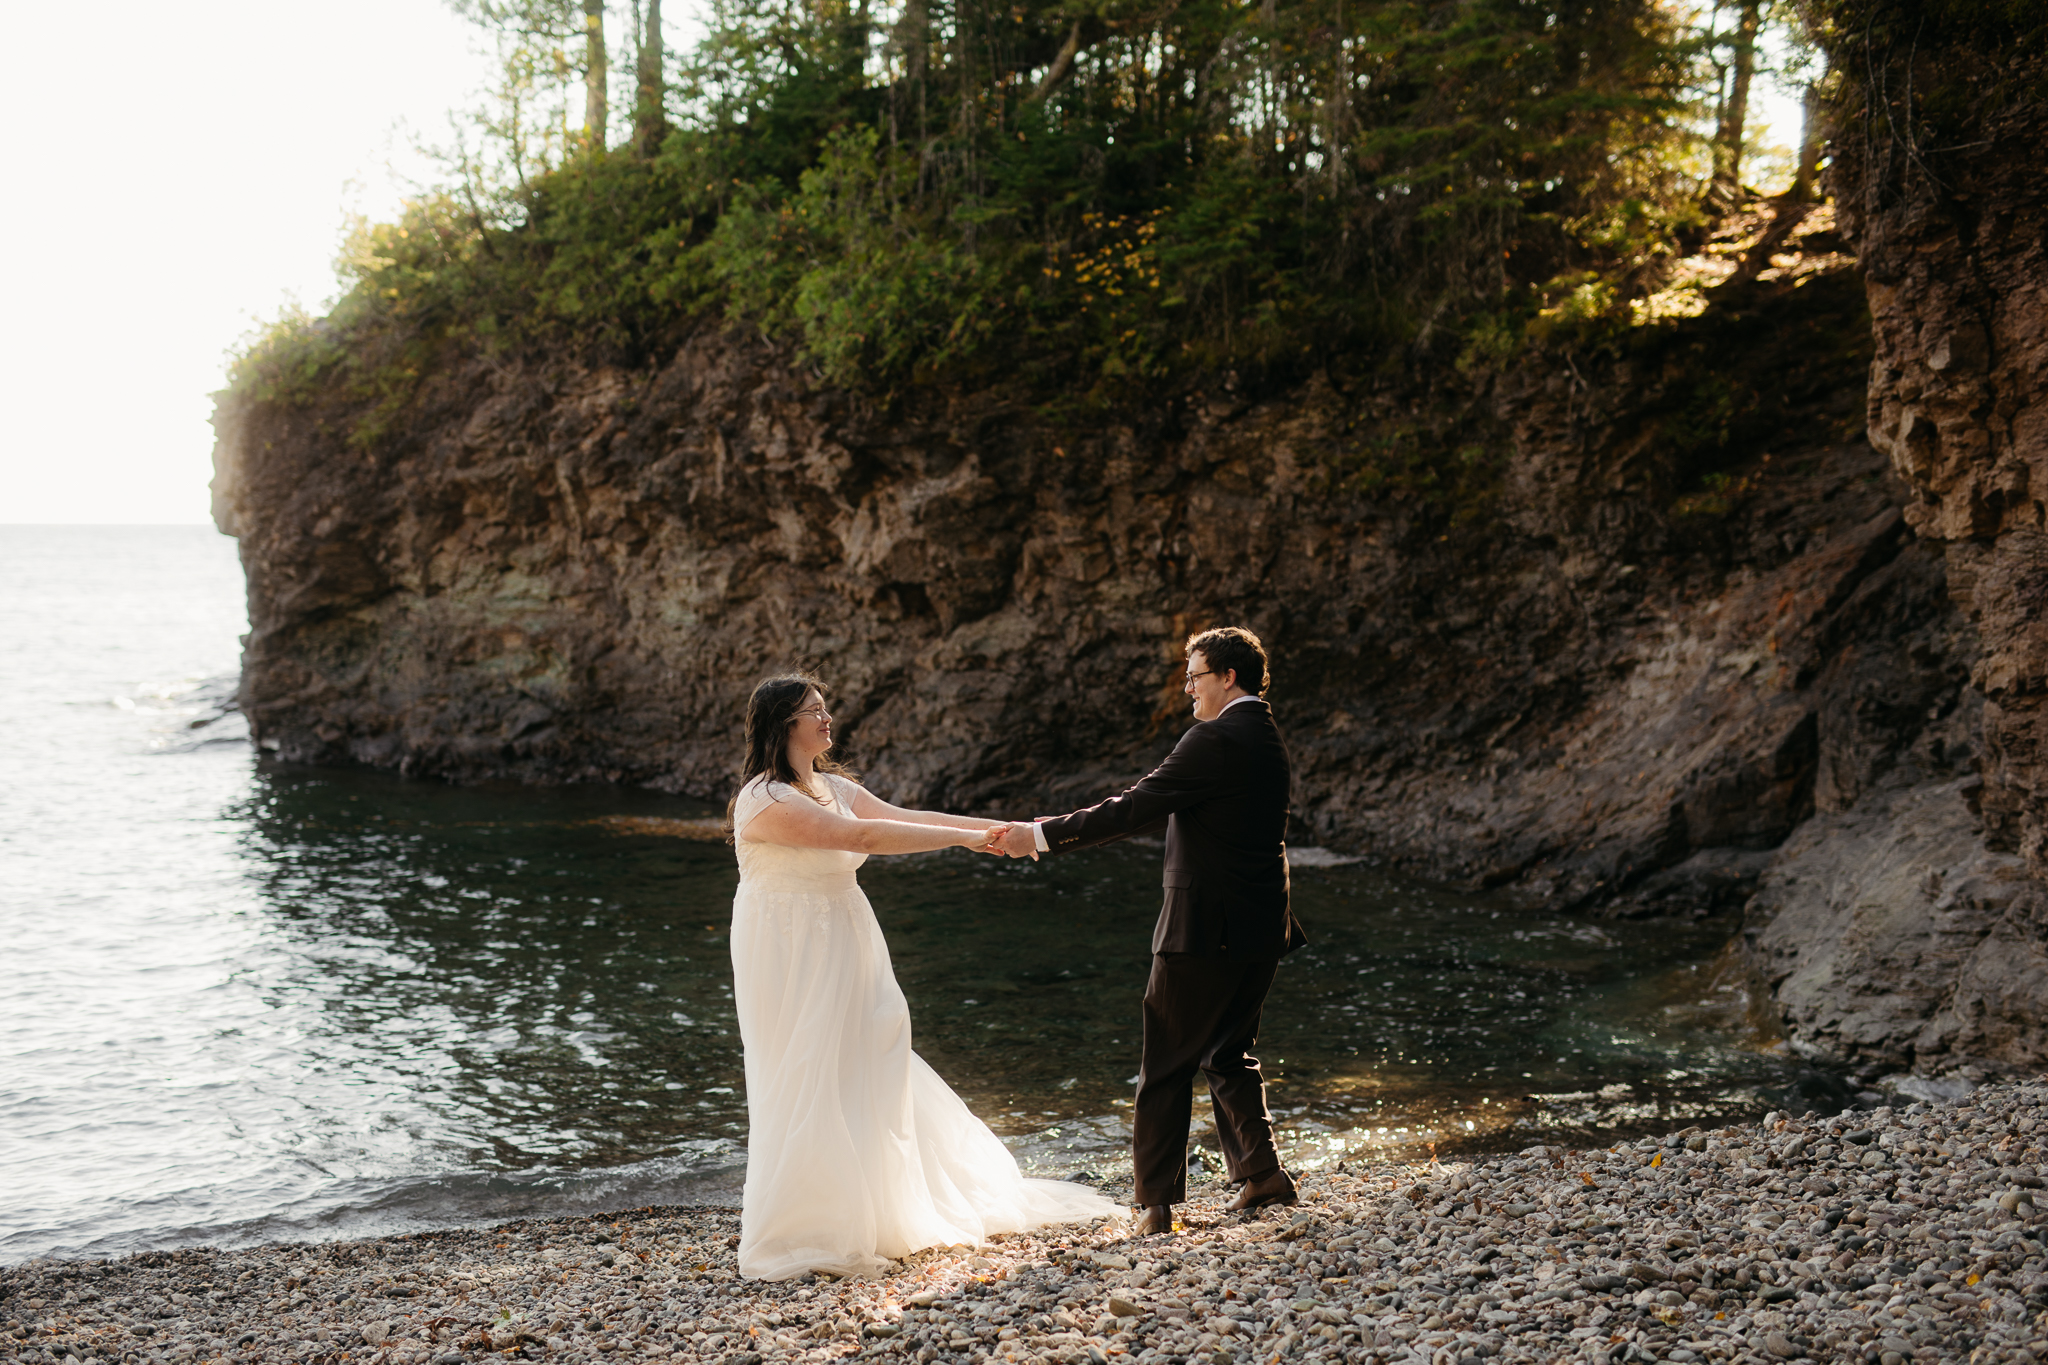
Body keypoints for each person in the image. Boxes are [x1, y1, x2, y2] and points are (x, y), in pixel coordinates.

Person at [725, 673, 1121, 1280]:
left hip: (847, 930)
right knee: (806, 1062)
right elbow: (861, 838)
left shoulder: (830, 785)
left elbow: (903, 815)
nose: (828, 720)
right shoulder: (765, 800)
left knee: (874, 1047)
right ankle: (813, 1220)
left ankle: (881, 1208)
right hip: (788, 943)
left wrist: (984, 831)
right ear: (785, 723)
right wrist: (962, 845)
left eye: (826, 709)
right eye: (816, 711)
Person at [998, 626, 1303, 1236]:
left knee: (1164, 1062)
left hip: (1202, 929)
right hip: (1263, 925)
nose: (1186, 686)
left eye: (1194, 675)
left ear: (1228, 678)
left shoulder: (1213, 739)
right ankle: (1263, 1174)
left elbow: (1135, 806)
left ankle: (1155, 1205)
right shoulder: (1266, 735)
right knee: (1227, 1053)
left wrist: (1038, 836)